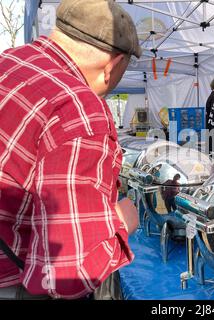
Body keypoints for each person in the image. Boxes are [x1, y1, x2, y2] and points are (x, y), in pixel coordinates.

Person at [0, 0, 142, 299]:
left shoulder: (11, 61)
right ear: (113, 65)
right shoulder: (79, 109)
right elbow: (68, 271)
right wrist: (121, 221)